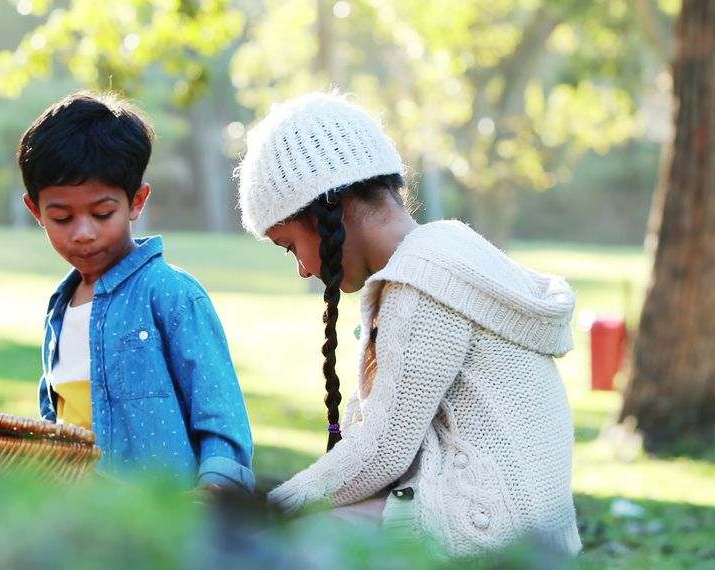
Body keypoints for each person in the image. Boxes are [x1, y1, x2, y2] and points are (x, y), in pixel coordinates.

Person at [235, 92, 581, 557]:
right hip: (526, 524)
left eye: (289, 245)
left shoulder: (424, 279)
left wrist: (271, 508)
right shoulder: (442, 254)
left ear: (326, 212)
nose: (300, 268)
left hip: (498, 534)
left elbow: (382, 451)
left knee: (283, 549)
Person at [18, 91, 255, 493]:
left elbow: (221, 416)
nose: (83, 233)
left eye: (102, 213)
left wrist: (214, 497)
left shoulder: (171, 294)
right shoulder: (59, 310)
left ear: (137, 201)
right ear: (36, 212)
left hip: (163, 530)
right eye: (61, 217)